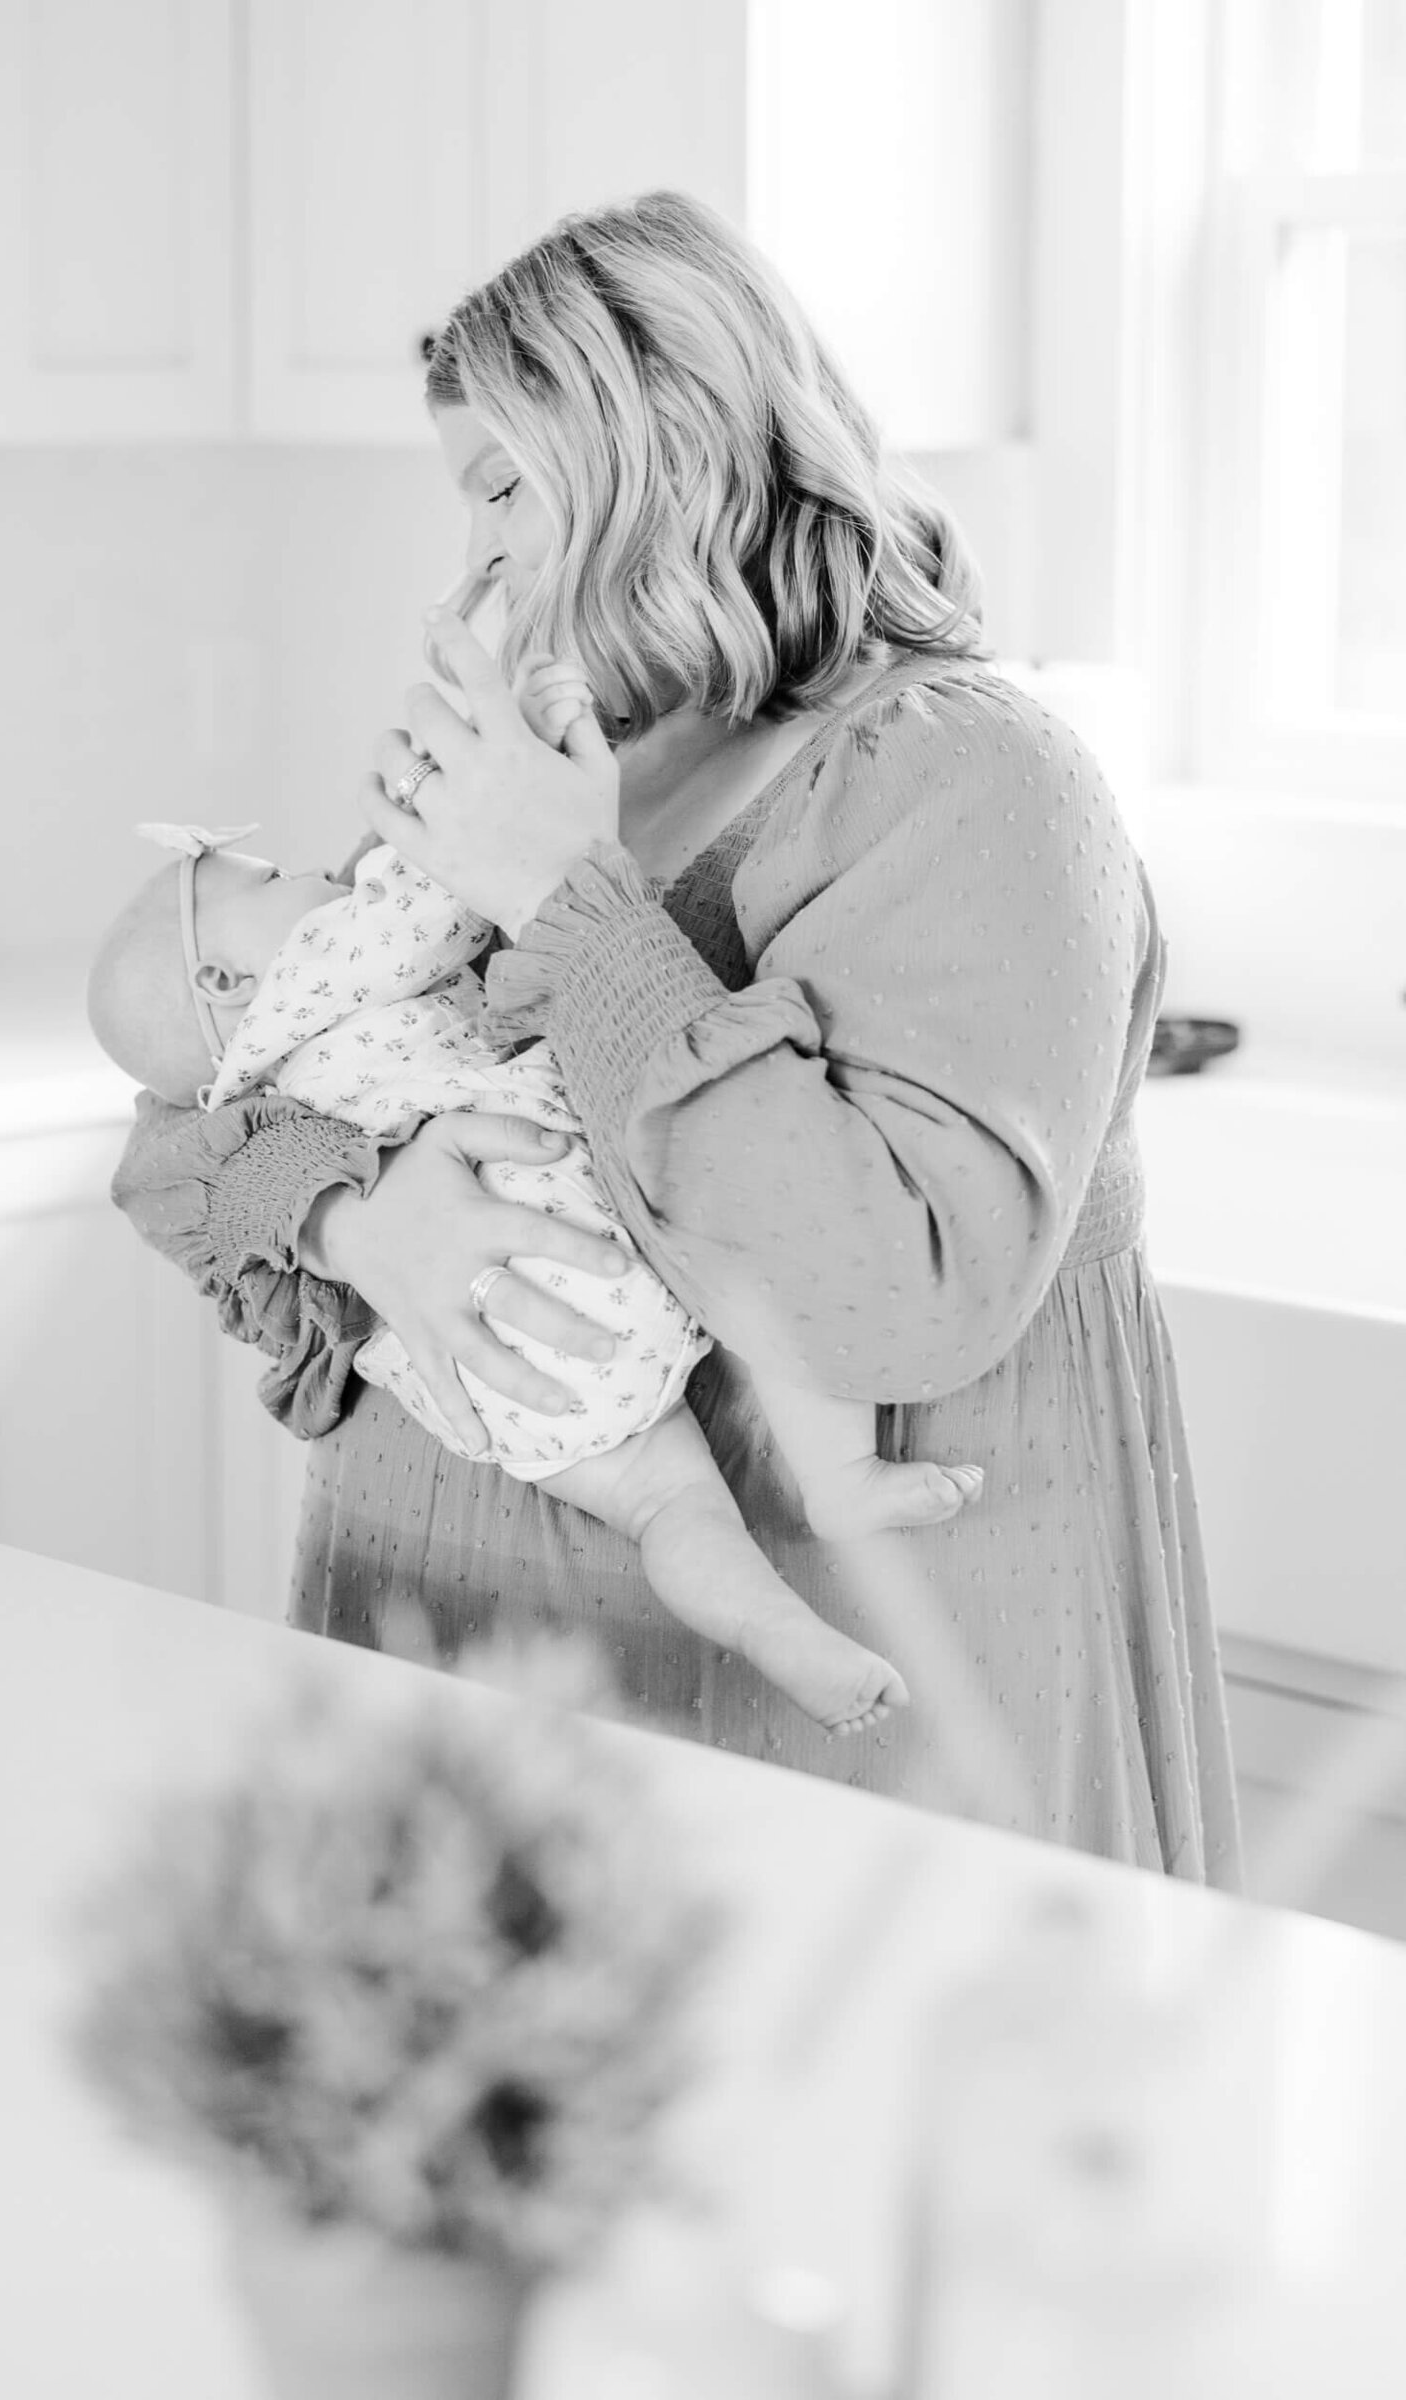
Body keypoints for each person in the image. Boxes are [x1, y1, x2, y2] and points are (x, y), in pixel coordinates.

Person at [110, 190, 1240, 1883]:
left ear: (661, 452)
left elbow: (891, 1293)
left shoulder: (972, 784)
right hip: (456, 1670)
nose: (473, 557)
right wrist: (356, 1214)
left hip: (827, 1722)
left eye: (500, 483)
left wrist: (563, 903)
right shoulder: (560, 769)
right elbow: (191, 1113)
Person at [89, 795, 984, 1733]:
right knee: (761, 1243)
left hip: (503, 1380)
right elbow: (449, 892)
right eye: (273, 882)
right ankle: (839, 1475)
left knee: (672, 1511)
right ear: (227, 980)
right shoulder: (325, 968)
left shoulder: (235, 1103)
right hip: (589, 1224)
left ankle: (776, 1632)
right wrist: (442, 802)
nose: (317, 877)